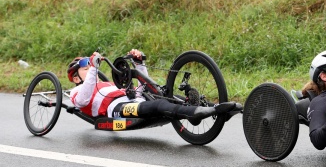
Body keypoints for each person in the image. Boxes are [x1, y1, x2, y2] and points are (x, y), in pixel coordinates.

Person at [67, 49, 241, 122]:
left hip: (134, 102)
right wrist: (93, 69)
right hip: (118, 110)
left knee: (171, 97)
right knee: (159, 105)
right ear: (75, 78)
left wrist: (139, 64)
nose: (90, 67)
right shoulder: (76, 91)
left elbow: (140, 92)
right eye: (84, 66)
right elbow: (82, 101)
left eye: (89, 64)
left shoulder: (108, 84)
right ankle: (197, 113)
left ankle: (219, 110)